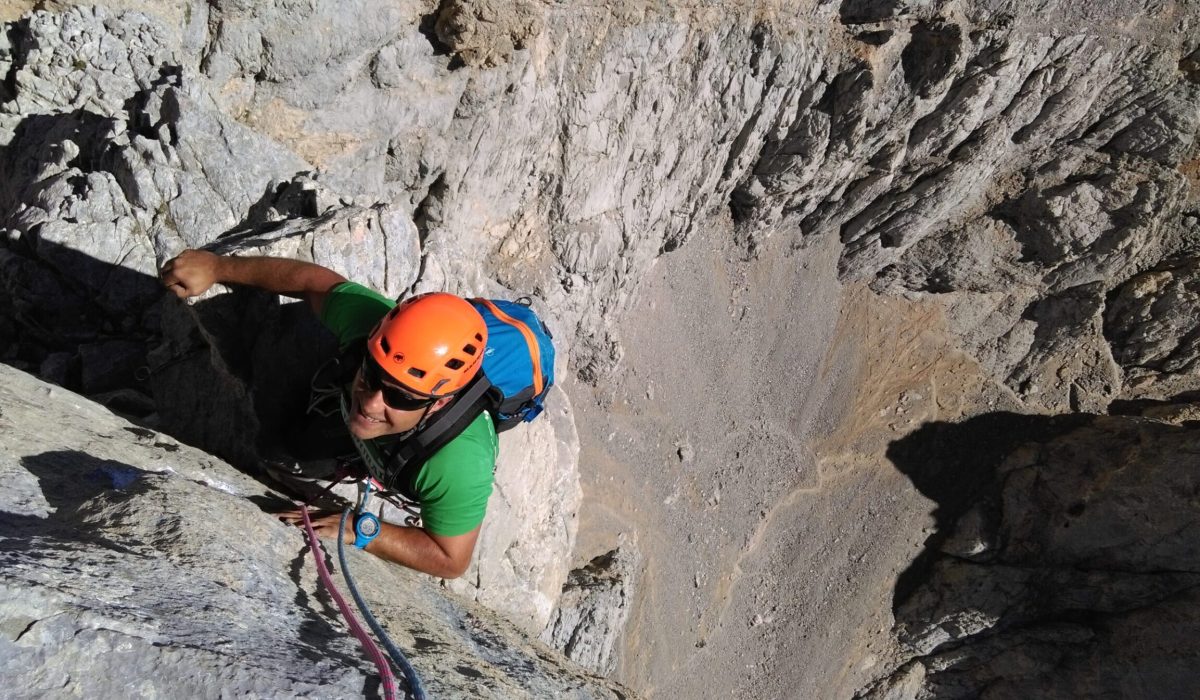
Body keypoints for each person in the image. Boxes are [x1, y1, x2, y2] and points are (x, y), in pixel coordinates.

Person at [160, 249, 496, 579]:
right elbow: (310, 282)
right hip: (372, 432)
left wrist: (364, 530)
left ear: (438, 403)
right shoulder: (375, 330)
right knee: (299, 443)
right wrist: (218, 267)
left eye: (401, 397)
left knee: (306, 443)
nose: (372, 403)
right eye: (372, 375)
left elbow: (451, 560)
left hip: (415, 450)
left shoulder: (458, 464)